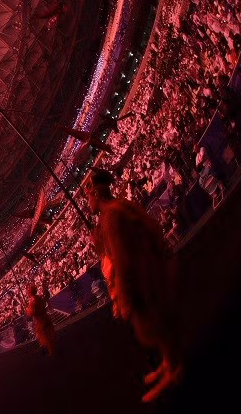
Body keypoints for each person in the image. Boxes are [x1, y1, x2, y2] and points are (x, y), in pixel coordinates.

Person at [85, 169, 182, 402]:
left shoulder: (109, 218)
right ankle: (169, 362)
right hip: (147, 270)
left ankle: (174, 370)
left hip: (141, 279)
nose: (87, 201)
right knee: (158, 324)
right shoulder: (116, 207)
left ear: (96, 193)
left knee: (154, 326)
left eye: (88, 195)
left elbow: (121, 258)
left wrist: (124, 299)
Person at [26, 283, 56, 355]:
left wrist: (27, 309)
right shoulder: (39, 297)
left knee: (45, 336)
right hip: (45, 317)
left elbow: (32, 313)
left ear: (30, 292)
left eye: (27, 291)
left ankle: (51, 351)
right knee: (49, 334)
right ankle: (52, 347)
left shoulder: (32, 301)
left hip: (40, 321)